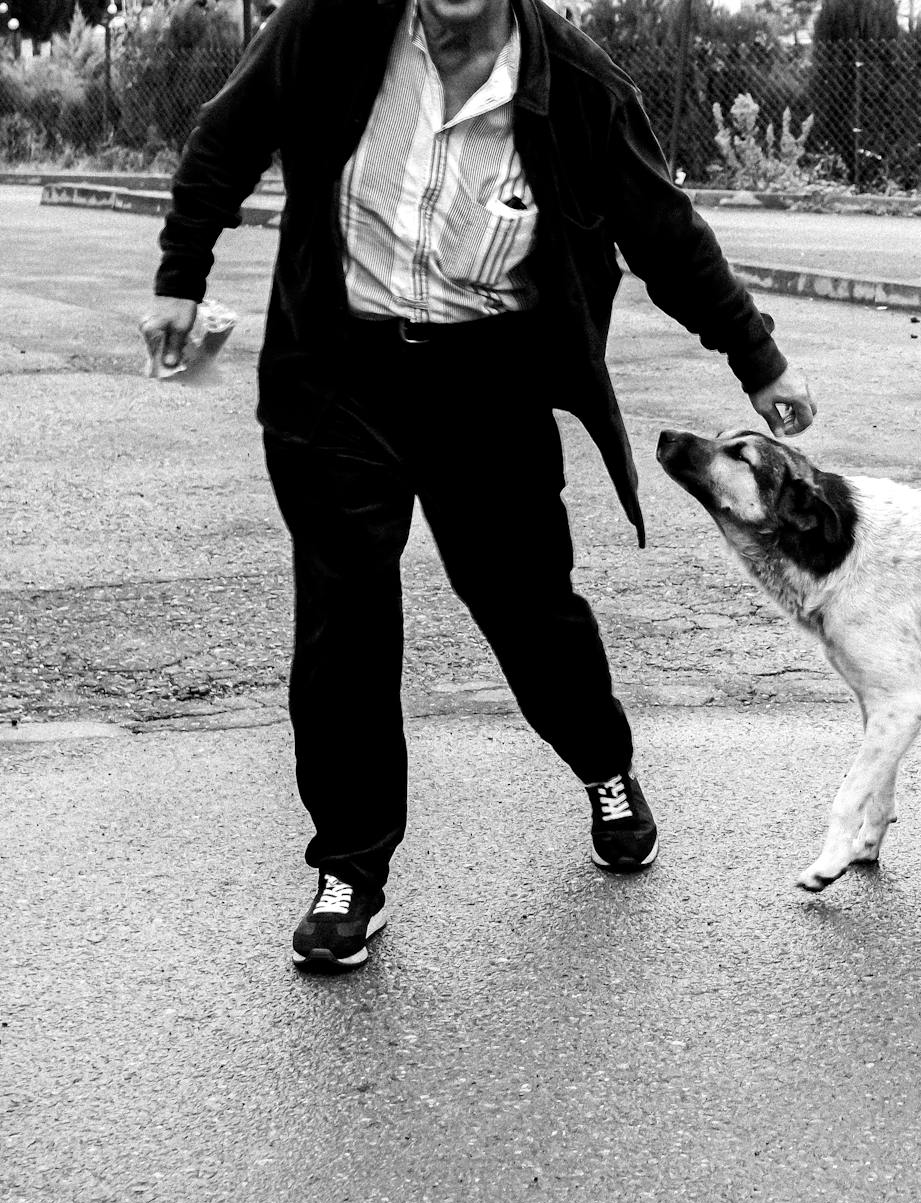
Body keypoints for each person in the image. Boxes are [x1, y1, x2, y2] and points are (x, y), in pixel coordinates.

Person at [141, 0, 815, 972]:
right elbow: (227, 135)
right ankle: (349, 872)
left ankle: (605, 763)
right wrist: (179, 272)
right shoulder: (331, 25)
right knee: (343, 623)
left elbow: (661, 226)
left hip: (488, 388)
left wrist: (759, 359)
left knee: (530, 610)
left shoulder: (575, 84)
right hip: (338, 377)